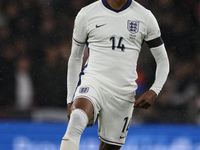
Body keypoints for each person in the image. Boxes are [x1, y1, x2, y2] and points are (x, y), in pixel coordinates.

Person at [60, 0, 170, 149]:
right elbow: (75, 58)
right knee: (77, 118)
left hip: (123, 92)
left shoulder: (145, 16)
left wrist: (154, 90)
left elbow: (163, 60)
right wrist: (70, 99)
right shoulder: (87, 14)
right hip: (94, 81)